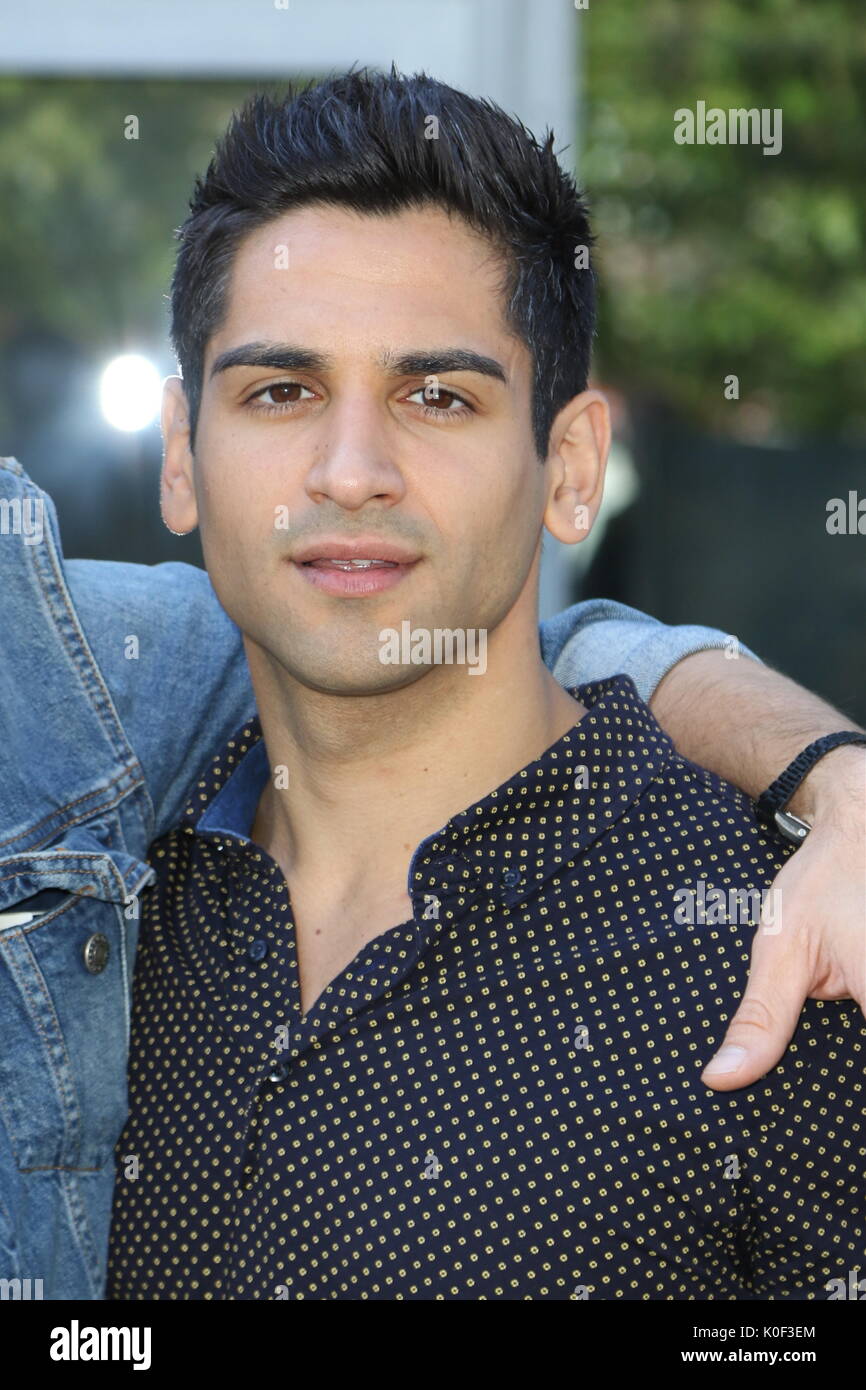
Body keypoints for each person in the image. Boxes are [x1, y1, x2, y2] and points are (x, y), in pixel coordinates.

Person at [74, 68, 866, 1299]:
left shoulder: (789, 956)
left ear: (568, 467)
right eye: (280, 390)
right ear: (183, 458)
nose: (348, 471)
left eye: (434, 395)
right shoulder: (83, 919)